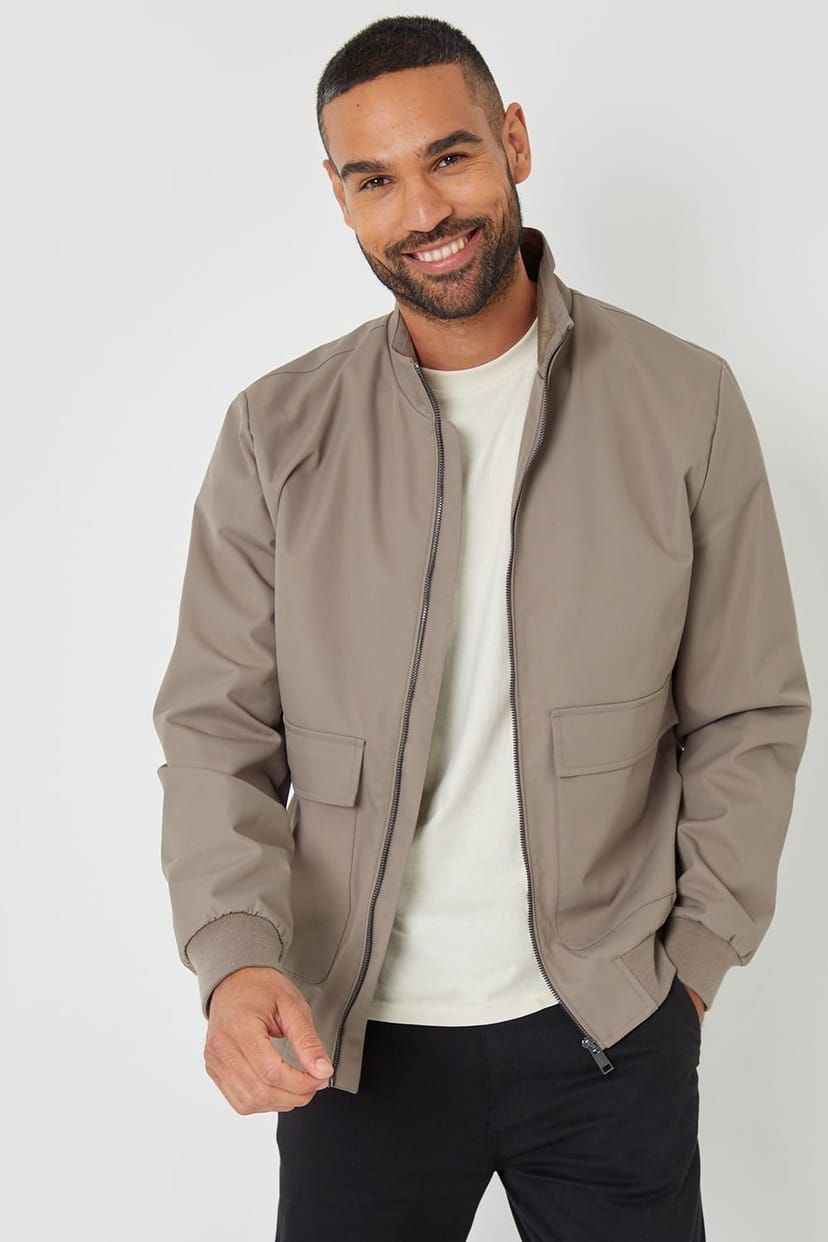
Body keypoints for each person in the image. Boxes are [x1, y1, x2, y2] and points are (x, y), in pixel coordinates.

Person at [152, 15, 812, 1242]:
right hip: (351, 1042)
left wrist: (691, 970)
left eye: (449, 157)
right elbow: (216, 734)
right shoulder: (275, 432)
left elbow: (748, 711)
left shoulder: (685, 401)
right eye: (375, 180)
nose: (423, 211)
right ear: (340, 198)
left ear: (514, 141)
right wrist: (237, 959)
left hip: (611, 1030)